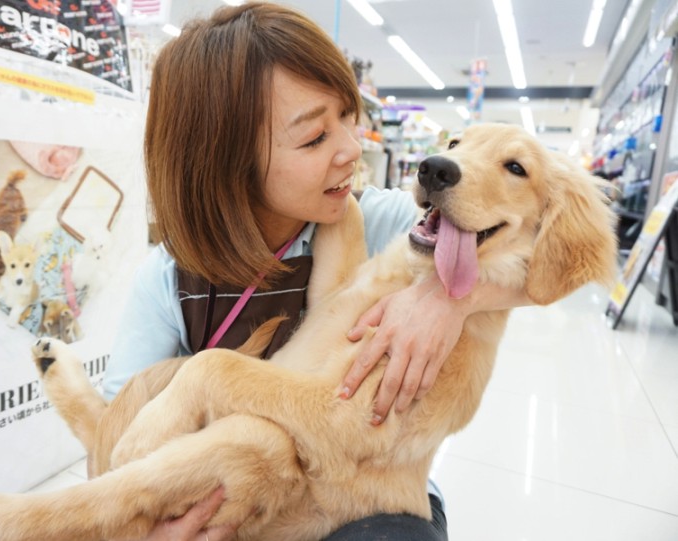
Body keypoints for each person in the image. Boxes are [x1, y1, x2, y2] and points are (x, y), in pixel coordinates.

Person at [104, 3, 527, 540]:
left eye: (349, 117)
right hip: (238, 494)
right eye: (313, 138)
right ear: (225, 158)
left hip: (373, 498)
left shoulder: (387, 223)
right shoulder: (167, 280)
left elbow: (545, 261)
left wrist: (449, 299)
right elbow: (117, 441)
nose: (352, 150)